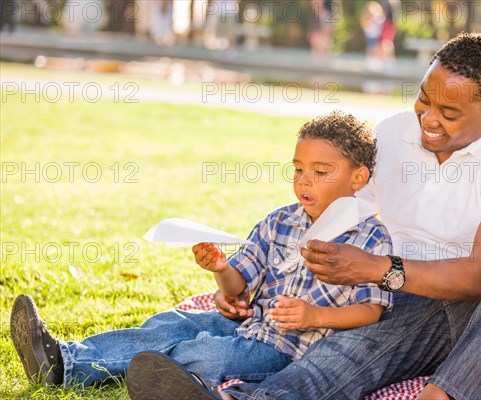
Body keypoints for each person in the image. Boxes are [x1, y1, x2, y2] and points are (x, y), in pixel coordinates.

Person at [126, 32, 481, 400]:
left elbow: (480, 278)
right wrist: (254, 280)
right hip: (397, 300)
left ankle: (449, 393)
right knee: (343, 350)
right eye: (424, 99)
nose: (428, 119)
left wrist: (378, 270)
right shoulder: (393, 135)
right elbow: (338, 219)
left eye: (449, 112)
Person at [10, 111, 393, 394]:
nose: (304, 182)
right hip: (248, 324)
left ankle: (179, 381)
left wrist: (315, 315)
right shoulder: (281, 221)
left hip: (287, 350)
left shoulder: (371, 238)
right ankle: (65, 360)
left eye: (321, 172)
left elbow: (371, 310)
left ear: (358, 178)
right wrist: (221, 268)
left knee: (205, 353)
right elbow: (239, 283)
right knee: (171, 323)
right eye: (298, 170)